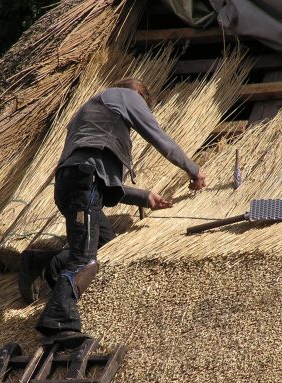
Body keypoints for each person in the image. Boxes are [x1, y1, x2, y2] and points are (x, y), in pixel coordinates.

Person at [19, 78, 206, 348]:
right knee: (86, 261)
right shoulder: (126, 96)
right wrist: (194, 169)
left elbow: (99, 179)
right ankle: (58, 320)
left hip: (74, 184)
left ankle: (42, 263)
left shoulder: (89, 113)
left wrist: (144, 197)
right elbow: (158, 137)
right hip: (85, 184)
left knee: (105, 243)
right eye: (145, 104)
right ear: (140, 94)